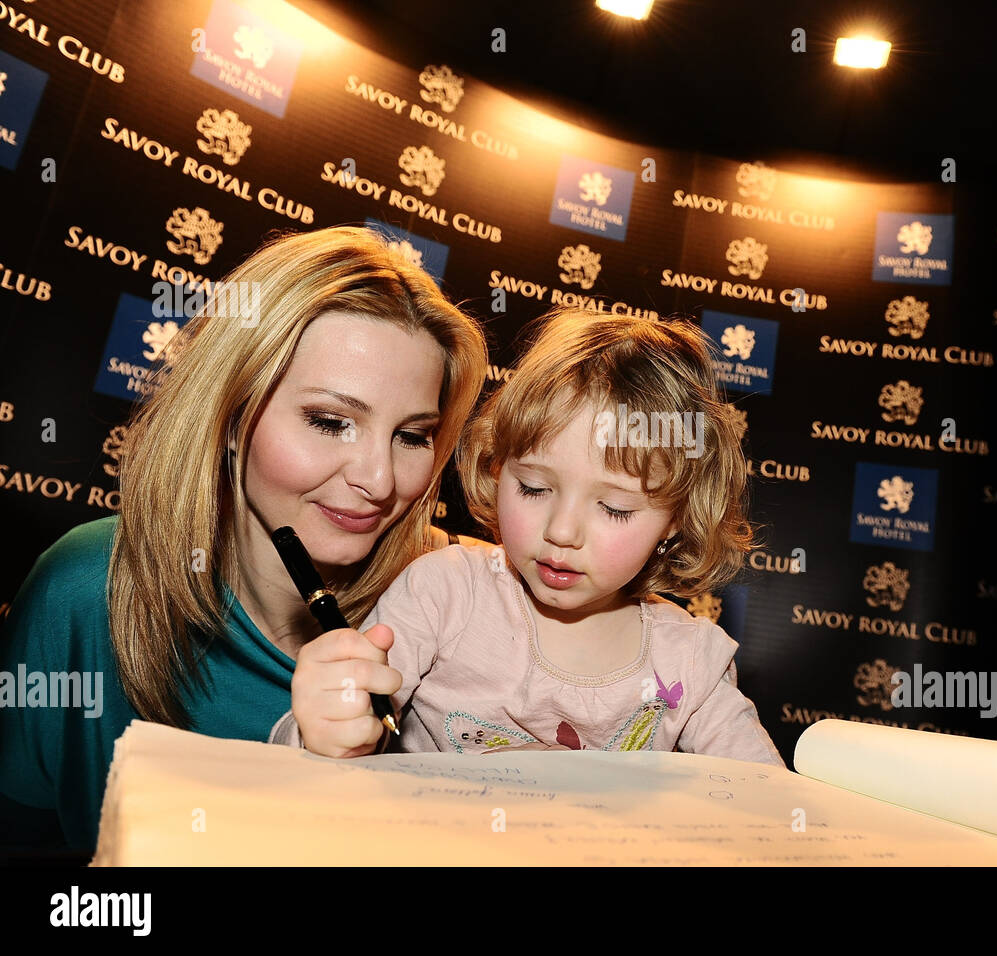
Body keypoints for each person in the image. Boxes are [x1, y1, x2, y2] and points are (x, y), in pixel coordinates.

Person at [0, 225, 489, 852]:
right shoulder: (88, 587)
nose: (378, 479)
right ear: (231, 413)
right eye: (331, 422)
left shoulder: (460, 604)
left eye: (413, 435)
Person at [274, 309, 784, 767]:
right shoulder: (445, 595)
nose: (561, 532)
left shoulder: (691, 660)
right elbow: (320, 753)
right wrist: (325, 731)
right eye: (534, 487)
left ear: (676, 518)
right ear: (497, 470)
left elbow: (765, 807)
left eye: (615, 507)